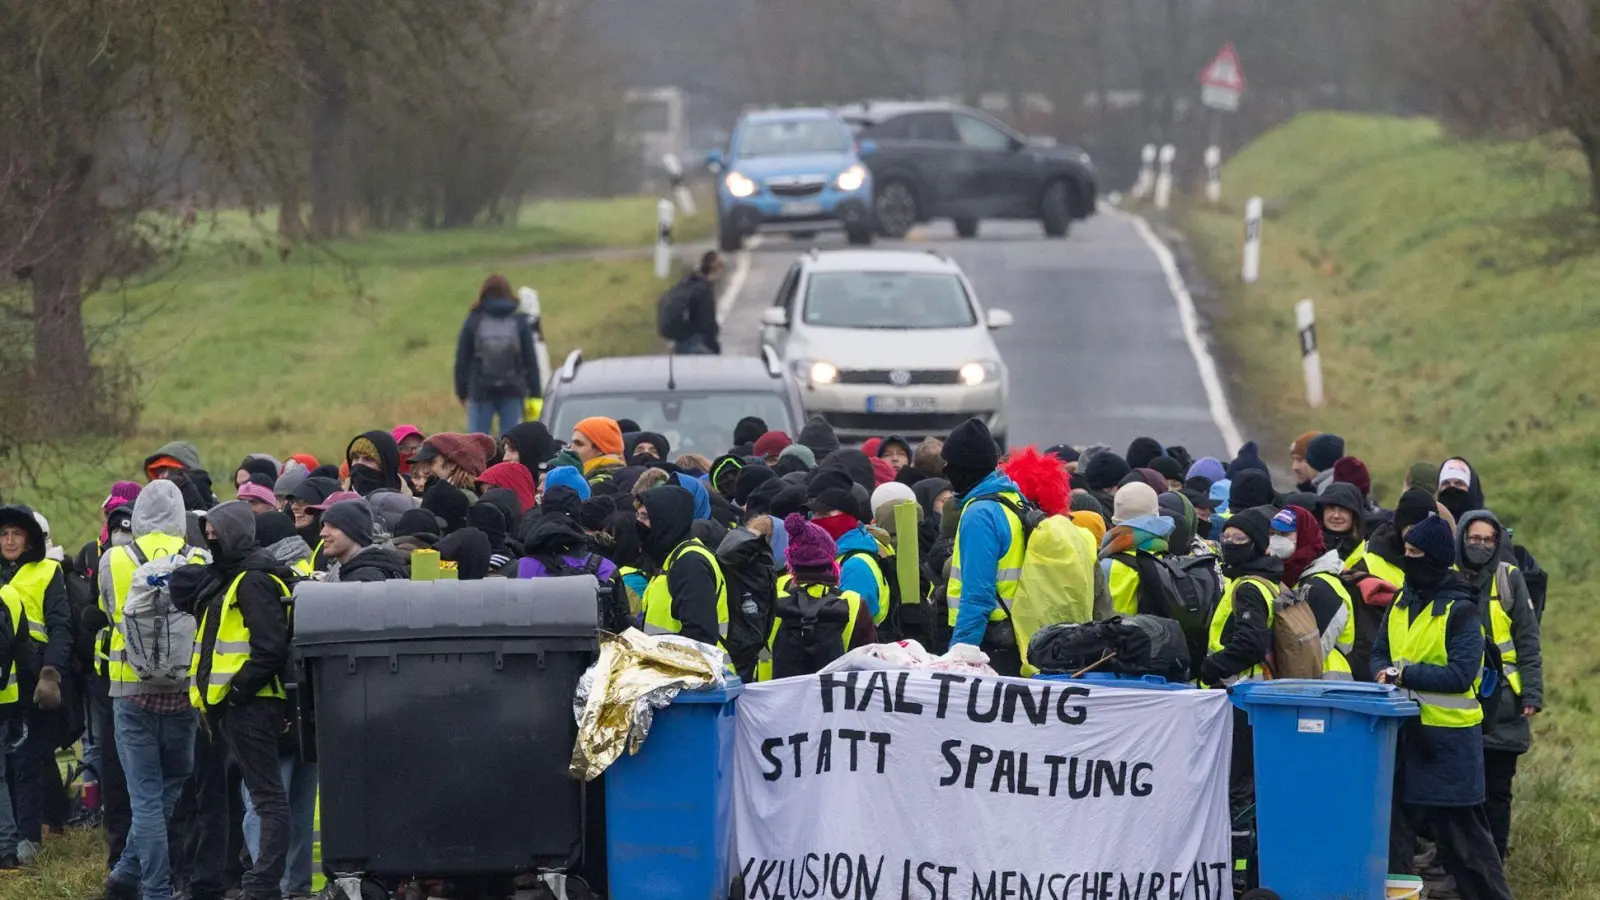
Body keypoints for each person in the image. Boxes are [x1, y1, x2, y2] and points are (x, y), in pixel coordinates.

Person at [1372, 514, 1512, 900]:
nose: (1407, 558)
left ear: (1433, 557)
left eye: (1415, 552)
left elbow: (1460, 675)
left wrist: (1401, 675)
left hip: (1448, 746)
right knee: (1395, 837)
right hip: (1403, 738)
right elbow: (1379, 651)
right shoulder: (1402, 599)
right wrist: (1386, 671)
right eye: (1406, 550)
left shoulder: (1462, 611)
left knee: (1467, 846)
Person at [96, 481, 208, 900]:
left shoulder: (114, 559)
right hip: (182, 693)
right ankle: (128, 877)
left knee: (143, 797)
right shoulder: (199, 558)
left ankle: (152, 888)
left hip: (131, 691)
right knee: (172, 784)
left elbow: (111, 612)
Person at [181, 502, 294, 900]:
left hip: (250, 706)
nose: (210, 539)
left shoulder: (252, 580)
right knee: (247, 798)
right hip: (230, 708)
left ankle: (263, 884)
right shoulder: (230, 578)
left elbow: (269, 648)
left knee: (266, 799)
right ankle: (254, 880)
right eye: (206, 531)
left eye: (217, 532)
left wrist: (237, 692)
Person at [1456, 511, 1543, 860]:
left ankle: (1494, 861)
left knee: (1497, 791)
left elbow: (1528, 639)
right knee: (1462, 791)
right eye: (1473, 539)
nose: (1479, 546)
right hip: (1459, 702)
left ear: (1498, 542)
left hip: (1505, 703)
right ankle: (1463, 862)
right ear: (1462, 538)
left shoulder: (1509, 579)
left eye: (1487, 540)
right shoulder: (1448, 577)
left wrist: (1532, 694)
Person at [1200, 506, 1278, 895]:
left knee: (1237, 793)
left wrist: (1210, 667)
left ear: (1258, 544)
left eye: (1238, 539)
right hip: (1248, 702)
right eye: (1225, 536)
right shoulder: (1262, 582)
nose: (1229, 544)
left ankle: (1235, 876)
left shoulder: (1248, 587)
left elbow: (1249, 643)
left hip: (1240, 703)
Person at [0, 505, 71, 864]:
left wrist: (51, 673)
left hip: (33, 677)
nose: (9, 541)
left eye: (16, 533)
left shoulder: (48, 571)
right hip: (2, 682)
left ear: (29, 539)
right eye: (4, 534)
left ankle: (28, 839)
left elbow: (61, 626)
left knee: (28, 761)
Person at [940, 418, 1032, 676]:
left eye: (950, 464)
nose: (945, 471)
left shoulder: (980, 514)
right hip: (1015, 636)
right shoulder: (1013, 499)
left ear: (966, 467)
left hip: (988, 645)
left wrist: (960, 656)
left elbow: (977, 594)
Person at [758, 514, 879, 681]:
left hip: (778, 701)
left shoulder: (772, 601)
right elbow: (870, 666)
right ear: (832, 561)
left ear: (791, 564)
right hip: (835, 702)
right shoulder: (854, 603)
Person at [635, 486, 727, 647]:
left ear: (666, 519)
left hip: (695, 669)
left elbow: (700, 635)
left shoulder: (690, 563)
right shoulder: (672, 557)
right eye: (638, 515)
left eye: (645, 517)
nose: (638, 523)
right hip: (670, 668)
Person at [1273, 506, 1357, 680]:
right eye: (1272, 533)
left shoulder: (1321, 587)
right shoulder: (1297, 577)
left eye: (1284, 534)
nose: (1275, 540)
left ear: (1304, 536)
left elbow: (1308, 652)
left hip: (1323, 685)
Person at [455, 273, 542, 436]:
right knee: (511, 442)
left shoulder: (474, 320)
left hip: (481, 391)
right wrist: (535, 393)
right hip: (512, 390)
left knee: (477, 443)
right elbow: (531, 360)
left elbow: (462, 359)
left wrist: (461, 391)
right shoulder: (518, 321)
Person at [804, 469, 889, 628]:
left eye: (823, 514)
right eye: (814, 513)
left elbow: (850, 625)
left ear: (847, 519)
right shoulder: (833, 557)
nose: (815, 521)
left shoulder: (856, 565)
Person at [1349, 488, 1437, 588]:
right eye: (1415, 527)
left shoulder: (1446, 564)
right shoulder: (1367, 568)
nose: (1425, 534)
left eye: (1431, 528)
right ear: (1400, 526)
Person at [320, 499, 409, 582]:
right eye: (324, 526)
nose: (323, 533)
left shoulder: (365, 578)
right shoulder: (358, 569)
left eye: (333, 526)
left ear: (354, 533)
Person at [672, 251, 725, 354]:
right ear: (714, 267)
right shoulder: (703, 290)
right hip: (698, 346)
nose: (722, 271)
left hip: (682, 343)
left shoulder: (691, 282)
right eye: (721, 266)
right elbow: (707, 323)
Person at [1317, 481, 1367, 563]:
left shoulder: (1368, 550)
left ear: (1354, 515)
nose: (1336, 515)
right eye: (1331, 508)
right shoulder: (1310, 548)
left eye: (1343, 509)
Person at [569, 418, 627, 488]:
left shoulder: (601, 483)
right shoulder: (585, 473)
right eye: (571, 443)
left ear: (600, 449)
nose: (571, 449)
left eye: (579, 444)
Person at [345, 430, 403, 496]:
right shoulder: (337, 501)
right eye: (355, 457)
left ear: (386, 466)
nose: (359, 463)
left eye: (368, 459)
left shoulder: (410, 503)